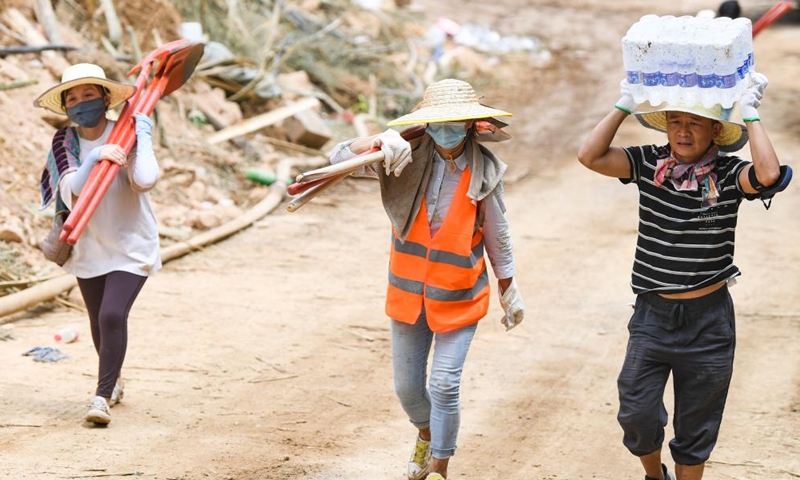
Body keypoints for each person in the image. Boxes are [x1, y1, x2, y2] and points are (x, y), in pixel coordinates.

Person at [577, 70, 787, 480]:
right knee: (636, 412)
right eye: (675, 121)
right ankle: (655, 476)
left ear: (715, 131)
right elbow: (590, 156)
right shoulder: (647, 163)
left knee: (696, 425)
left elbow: (767, 175)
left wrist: (751, 114)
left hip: (709, 322)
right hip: (653, 316)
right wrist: (623, 104)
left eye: (695, 123)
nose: (683, 132)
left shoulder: (728, 174)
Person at [328, 78, 526, 480]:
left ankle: (439, 467)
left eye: (455, 123)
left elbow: (497, 233)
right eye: (439, 123)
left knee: (444, 385)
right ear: (427, 124)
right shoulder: (402, 156)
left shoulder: (485, 171)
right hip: (407, 295)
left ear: (470, 125)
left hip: (460, 295)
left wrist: (508, 287)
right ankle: (426, 432)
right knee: (408, 390)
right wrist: (378, 141)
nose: (446, 131)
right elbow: (335, 157)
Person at [35, 63, 161, 426]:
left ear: (105, 98)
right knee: (97, 321)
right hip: (88, 244)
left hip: (131, 242)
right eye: (72, 99)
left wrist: (143, 136)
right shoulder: (66, 141)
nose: (81, 103)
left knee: (111, 315)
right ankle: (115, 380)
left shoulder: (126, 131)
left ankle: (101, 397)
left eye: (88, 94)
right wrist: (95, 156)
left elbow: (145, 180)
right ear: (66, 107)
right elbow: (72, 189)